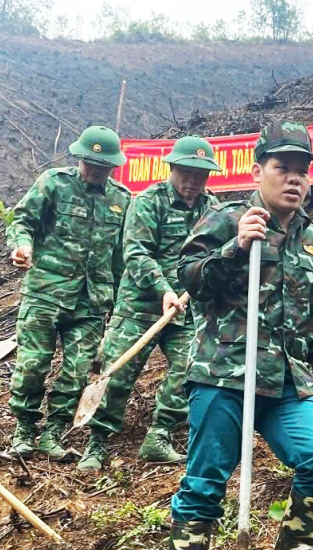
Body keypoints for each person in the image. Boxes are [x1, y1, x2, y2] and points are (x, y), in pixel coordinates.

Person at [167, 120, 313, 550]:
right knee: (205, 482)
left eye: (301, 171)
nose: (293, 179)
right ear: (258, 170)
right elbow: (191, 281)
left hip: (288, 381)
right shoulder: (227, 219)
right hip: (224, 373)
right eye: (281, 168)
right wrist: (236, 248)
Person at [78, 137, 221, 472]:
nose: (193, 181)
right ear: (172, 169)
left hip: (186, 308)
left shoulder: (211, 208)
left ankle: (159, 434)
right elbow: (136, 252)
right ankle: (97, 442)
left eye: (200, 174)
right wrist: (162, 290)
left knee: (192, 367)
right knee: (117, 371)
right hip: (139, 305)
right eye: (186, 172)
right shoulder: (148, 202)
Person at [7, 126, 130, 459]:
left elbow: (121, 257)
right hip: (46, 291)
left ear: (113, 166)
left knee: (76, 372)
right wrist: (22, 246)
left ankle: (53, 433)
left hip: (91, 301)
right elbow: (22, 220)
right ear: (79, 157)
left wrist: (119, 305)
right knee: (32, 365)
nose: (94, 170)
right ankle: (24, 430)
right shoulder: (53, 183)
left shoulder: (122, 199)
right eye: (89, 162)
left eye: (102, 165)